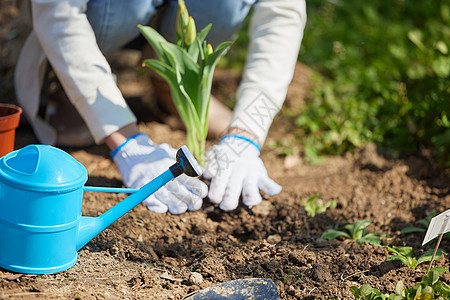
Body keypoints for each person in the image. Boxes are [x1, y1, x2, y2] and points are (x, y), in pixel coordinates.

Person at [14, 0, 307, 214]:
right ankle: (67, 89)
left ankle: (171, 85)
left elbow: (282, 14)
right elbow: (58, 13)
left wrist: (247, 132)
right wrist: (125, 139)